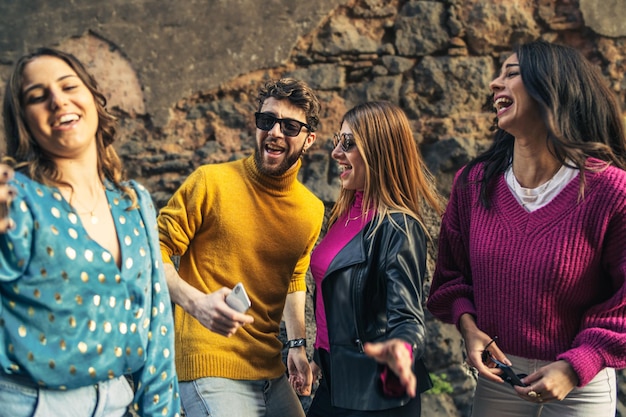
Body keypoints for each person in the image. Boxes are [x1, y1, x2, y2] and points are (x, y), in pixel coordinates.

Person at [427, 40, 626, 417]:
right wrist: (468, 327)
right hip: (497, 380)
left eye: (511, 73)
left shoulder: (612, 191)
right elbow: (452, 277)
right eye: (498, 74)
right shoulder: (473, 184)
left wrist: (576, 365)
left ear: (552, 86)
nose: (494, 83)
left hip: (579, 386)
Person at [0, 47, 180, 416]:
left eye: (69, 86)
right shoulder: (17, 200)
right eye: (38, 96)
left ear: (93, 100)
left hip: (116, 401)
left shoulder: (133, 203)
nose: (57, 100)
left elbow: (157, 328)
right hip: (30, 405)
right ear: (24, 121)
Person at [157, 78, 324, 417]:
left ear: (309, 140)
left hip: (269, 368)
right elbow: (151, 249)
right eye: (267, 121)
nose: (275, 132)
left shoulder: (311, 210)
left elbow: (294, 277)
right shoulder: (210, 181)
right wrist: (195, 303)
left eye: (289, 126)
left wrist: (296, 346)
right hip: (208, 362)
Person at [307, 101, 444, 417]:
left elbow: (407, 316)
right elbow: (336, 301)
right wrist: (317, 355)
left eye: (349, 143)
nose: (336, 153)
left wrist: (402, 349)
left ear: (379, 150)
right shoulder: (341, 216)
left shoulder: (399, 227)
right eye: (337, 141)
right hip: (333, 382)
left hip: (377, 395)